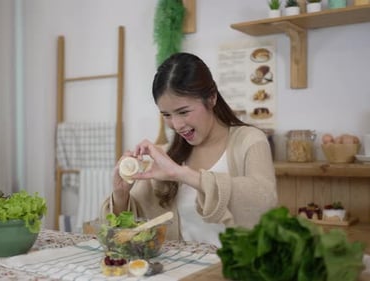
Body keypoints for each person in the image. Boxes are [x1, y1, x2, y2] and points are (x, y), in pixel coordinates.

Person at [100, 52, 277, 246]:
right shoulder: (166, 155)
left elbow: (264, 200)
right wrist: (121, 193)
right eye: (166, 115)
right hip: (183, 272)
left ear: (211, 98)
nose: (176, 125)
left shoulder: (249, 140)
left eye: (183, 112)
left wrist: (182, 174)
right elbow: (127, 231)